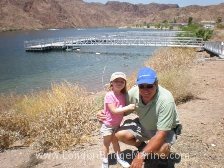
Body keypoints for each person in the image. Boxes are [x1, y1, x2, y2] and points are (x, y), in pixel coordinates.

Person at [98, 67, 180, 168]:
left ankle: (162, 160)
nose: (145, 90)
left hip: (165, 130)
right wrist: (102, 112)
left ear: (156, 83)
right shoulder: (134, 93)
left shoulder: (166, 100)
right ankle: (143, 147)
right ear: (138, 85)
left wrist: (140, 157)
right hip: (144, 125)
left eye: (149, 86)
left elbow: (161, 134)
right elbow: (118, 109)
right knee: (119, 134)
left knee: (161, 148)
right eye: (142, 86)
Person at [100, 72, 136, 168]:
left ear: (125, 83)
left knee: (115, 142)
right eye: (116, 81)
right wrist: (128, 107)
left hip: (117, 125)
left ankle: (119, 158)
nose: (119, 83)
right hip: (107, 125)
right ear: (111, 83)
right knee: (106, 143)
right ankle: (104, 161)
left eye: (122, 81)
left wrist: (135, 87)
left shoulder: (123, 95)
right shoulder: (109, 95)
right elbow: (114, 111)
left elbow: (132, 94)